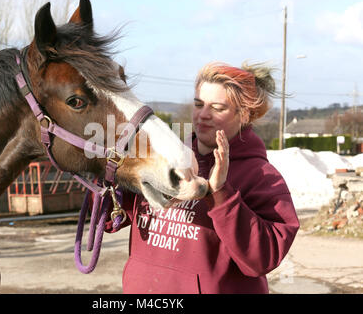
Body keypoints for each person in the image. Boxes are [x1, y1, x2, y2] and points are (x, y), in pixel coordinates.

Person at [102, 61, 300, 294]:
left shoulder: (262, 177)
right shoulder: (165, 160)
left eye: (217, 108)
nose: (203, 115)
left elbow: (263, 258)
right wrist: (103, 176)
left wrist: (221, 195)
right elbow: (111, 220)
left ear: (244, 114)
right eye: (199, 104)